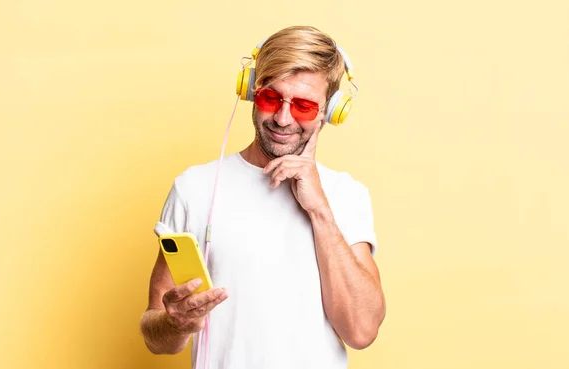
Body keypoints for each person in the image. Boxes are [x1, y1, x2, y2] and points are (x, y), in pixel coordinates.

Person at [140, 25, 386, 369]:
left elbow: (362, 331)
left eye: (302, 106)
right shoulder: (194, 188)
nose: (283, 119)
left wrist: (319, 211)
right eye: (272, 98)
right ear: (251, 91)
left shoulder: (347, 195)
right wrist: (174, 323)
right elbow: (154, 335)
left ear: (329, 112)